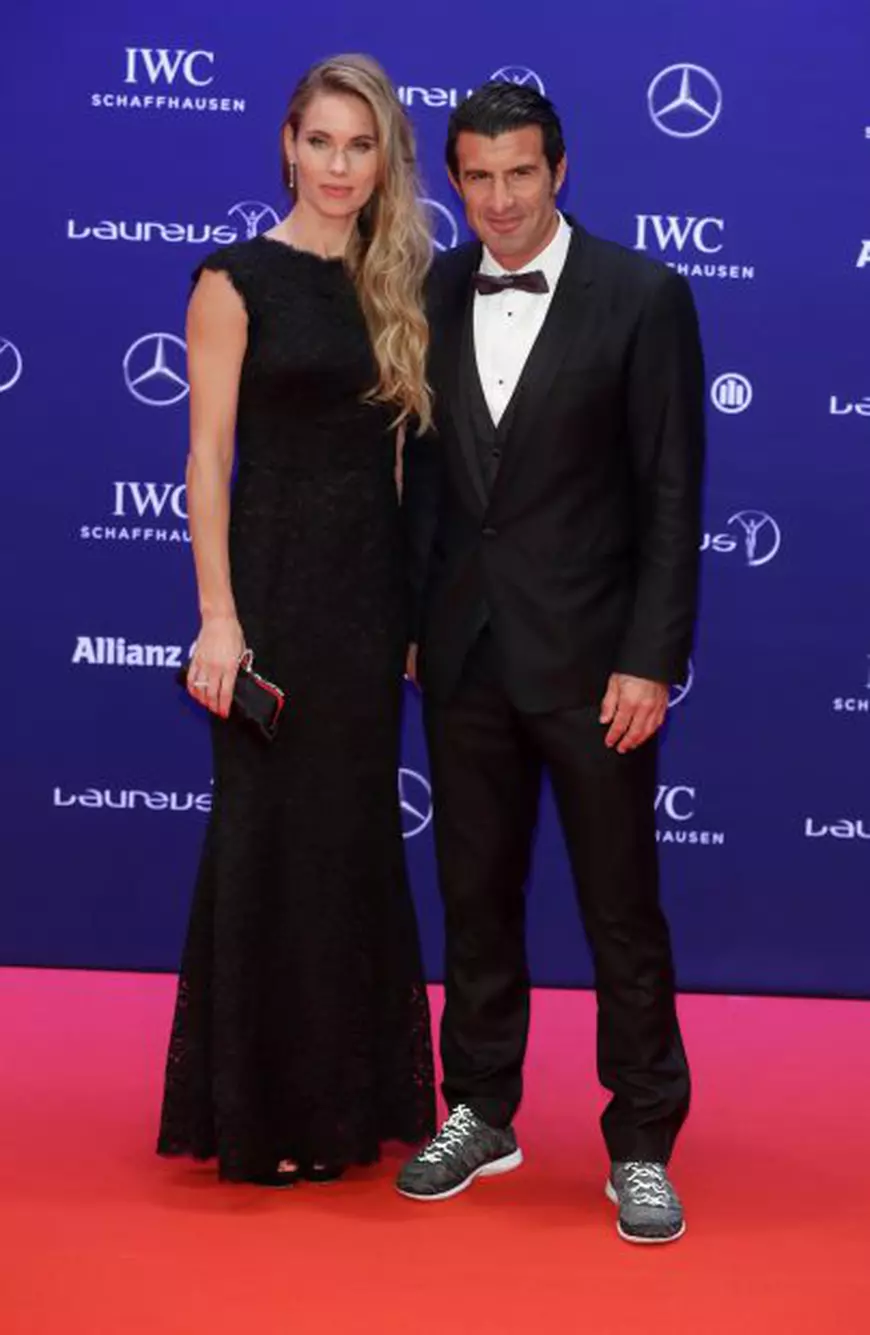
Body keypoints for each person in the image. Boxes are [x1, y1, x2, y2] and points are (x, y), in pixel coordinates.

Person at [398, 82, 705, 1243]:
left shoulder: (643, 295)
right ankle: (479, 1107)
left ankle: (641, 1142)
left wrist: (649, 658)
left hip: (594, 665)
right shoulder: (426, 290)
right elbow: (431, 480)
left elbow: (673, 495)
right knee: (474, 900)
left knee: (622, 911)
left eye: (519, 173)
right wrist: (420, 620)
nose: (499, 198)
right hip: (465, 655)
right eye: (476, 176)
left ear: (560, 171)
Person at [157, 54, 436, 1186]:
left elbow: (413, 470)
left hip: (368, 615)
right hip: (271, 599)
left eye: (359, 146)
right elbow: (205, 460)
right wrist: (218, 620)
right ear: (286, 144)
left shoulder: (401, 283)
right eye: (319, 142)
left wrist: (413, 618)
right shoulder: (235, 280)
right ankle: (262, 1113)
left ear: (383, 161)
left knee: (350, 844)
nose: (337, 165)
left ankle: (349, 1101)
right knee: (268, 842)